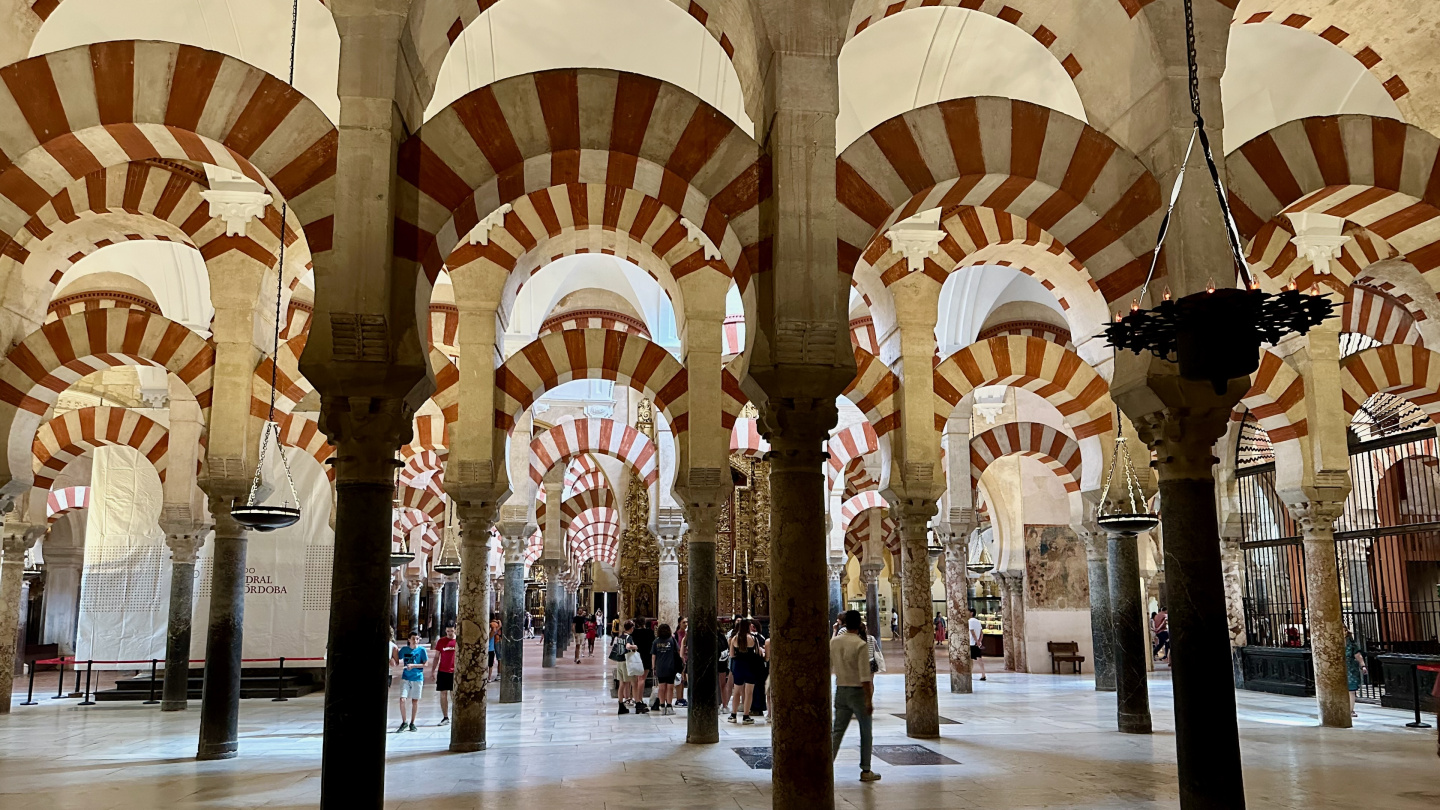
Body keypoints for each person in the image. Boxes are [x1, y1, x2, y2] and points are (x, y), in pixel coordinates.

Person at [831, 610, 880, 783]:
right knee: (866, 731)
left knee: (836, 731)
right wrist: (868, 699)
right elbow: (865, 677)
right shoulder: (860, 644)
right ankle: (866, 770)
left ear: (843, 624)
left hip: (841, 689)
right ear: (859, 624)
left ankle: (826, 767)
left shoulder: (834, 642)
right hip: (857, 691)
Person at [728, 618, 761, 724]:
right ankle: (746, 715)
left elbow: (731, 655)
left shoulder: (734, 639)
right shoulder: (753, 638)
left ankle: (733, 715)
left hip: (738, 666)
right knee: (749, 692)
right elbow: (758, 652)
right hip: (750, 666)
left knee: (737, 691)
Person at [396, 631, 428, 732]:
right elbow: (397, 656)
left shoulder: (422, 650)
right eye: (413, 638)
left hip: (417, 678)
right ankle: (404, 722)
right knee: (402, 699)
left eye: (417, 639)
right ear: (409, 639)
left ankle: (412, 723)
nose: (415, 641)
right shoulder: (405, 650)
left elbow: (425, 664)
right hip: (406, 678)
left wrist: (414, 666)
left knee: (415, 701)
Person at [652, 623, 681, 715]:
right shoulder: (672, 640)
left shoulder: (656, 642)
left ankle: (662, 706)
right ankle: (669, 705)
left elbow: (653, 655)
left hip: (660, 667)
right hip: (670, 666)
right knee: (670, 687)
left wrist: (653, 666)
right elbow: (678, 651)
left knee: (661, 687)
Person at [432, 625, 458, 725]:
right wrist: (433, 670)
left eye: (451, 631)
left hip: (454, 672)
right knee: (443, 694)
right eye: (447, 631)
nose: (449, 633)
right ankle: (445, 717)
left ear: (455, 630)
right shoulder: (441, 641)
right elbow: (436, 657)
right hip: (443, 671)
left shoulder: (458, 641)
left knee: (454, 694)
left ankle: (456, 715)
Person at [631, 618, 656, 710]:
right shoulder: (649, 632)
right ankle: (639, 700)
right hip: (646, 656)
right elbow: (653, 644)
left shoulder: (634, 633)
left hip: (636, 656)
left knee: (637, 679)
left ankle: (636, 699)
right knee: (642, 679)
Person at [1345, 627, 1367, 717]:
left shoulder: (1352, 644)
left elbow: (1358, 655)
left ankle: (1350, 710)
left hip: (1350, 669)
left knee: (1351, 690)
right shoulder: (1334, 643)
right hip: (1338, 668)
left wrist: (1363, 666)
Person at [674, 617, 689, 708]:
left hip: (688, 658)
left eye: (687, 622)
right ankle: (679, 698)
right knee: (679, 678)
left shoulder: (688, 634)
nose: (686, 624)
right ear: (679, 623)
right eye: (684, 622)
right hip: (680, 659)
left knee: (684, 680)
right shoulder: (676, 635)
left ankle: (682, 697)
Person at [969, 609, 987, 682]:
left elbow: (972, 632)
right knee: (979, 659)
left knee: (970, 660)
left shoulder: (970, 621)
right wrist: (979, 641)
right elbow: (981, 632)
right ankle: (983, 674)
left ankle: (969, 674)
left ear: (971, 613)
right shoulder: (977, 621)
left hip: (972, 642)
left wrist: (976, 641)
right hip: (976, 643)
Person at [485, 618, 501, 683]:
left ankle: (488, 677)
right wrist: (499, 621)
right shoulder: (491, 634)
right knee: (489, 665)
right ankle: (488, 677)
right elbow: (498, 627)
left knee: (490, 664)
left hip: (490, 650)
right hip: (490, 650)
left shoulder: (487, 634)